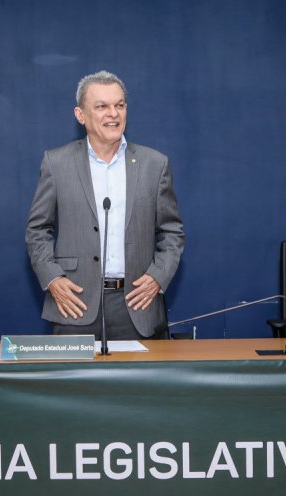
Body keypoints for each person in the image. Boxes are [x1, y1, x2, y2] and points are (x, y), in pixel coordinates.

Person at [25, 71, 184, 339]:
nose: (113, 113)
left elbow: (172, 232)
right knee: (73, 383)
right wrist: (52, 278)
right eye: (101, 106)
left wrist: (158, 276)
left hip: (137, 306)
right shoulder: (56, 162)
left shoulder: (154, 164)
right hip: (74, 304)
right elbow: (37, 230)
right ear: (80, 115)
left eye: (119, 105)